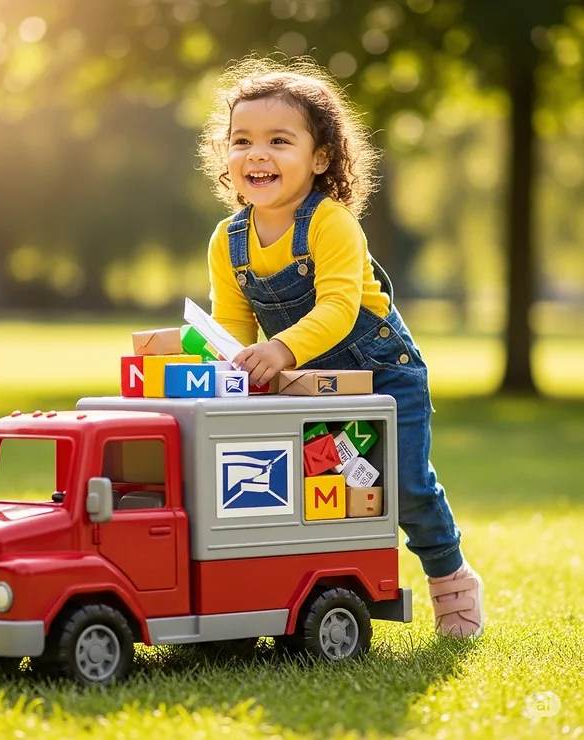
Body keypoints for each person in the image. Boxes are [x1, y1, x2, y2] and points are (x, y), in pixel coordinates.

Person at [198, 55, 483, 639]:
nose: (257, 154)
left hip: (380, 375)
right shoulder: (228, 241)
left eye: (280, 140)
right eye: (241, 140)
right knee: (318, 493)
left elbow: (338, 310)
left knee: (401, 486)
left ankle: (451, 579)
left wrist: (278, 350)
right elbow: (230, 325)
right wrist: (224, 371)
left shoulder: (330, 224)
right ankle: (297, 597)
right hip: (304, 385)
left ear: (320, 157)